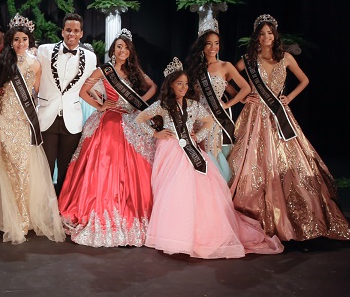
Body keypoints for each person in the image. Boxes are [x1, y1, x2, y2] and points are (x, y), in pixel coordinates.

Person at [136, 58, 283, 259]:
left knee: (194, 188)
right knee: (171, 190)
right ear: (171, 84)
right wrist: (157, 133)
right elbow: (140, 118)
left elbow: (208, 121)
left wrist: (199, 136)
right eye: (179, 83)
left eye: (186, 84)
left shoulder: (194, 105)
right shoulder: (162, 105)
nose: (183, 87)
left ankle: (194, 233)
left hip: (190, 149)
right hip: (169, 150)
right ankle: (174, 233)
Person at [228, 15, 350, 241]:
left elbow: (304, 80)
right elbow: (227, 78)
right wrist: (242, 98)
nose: (266, 37)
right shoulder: (248, 59)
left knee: (290, 159)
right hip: (255, 115)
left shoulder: (285, 58)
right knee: (252, 161)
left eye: (270, 33)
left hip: (279, 115)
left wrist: (288, 98)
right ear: (257, 37)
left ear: (275, 35)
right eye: (262, 33)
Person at [59, 30, 157, 247]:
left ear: (131, 52)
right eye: (119, 47)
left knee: (134, 165)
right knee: (105, 162)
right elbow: (83, 91)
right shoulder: (104, 71)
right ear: (113, 50)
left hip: (130, 119)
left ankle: (132, 210)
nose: (122, 51)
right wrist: (101, 106)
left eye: (126, 47)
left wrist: (139, 101)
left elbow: (153, 87)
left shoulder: (134, 71)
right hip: (110, 119)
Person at [0, 15, 64, 244]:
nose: (20, 43)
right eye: (16, 39)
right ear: (10, 41)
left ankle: (23, 218)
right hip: (5, 120)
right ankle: (10, 215)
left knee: (23, 170)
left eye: (24, 39)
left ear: (29, 40)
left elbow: (35, 94)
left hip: (24, 122)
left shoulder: (35, 63)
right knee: (7, 169)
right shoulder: (3, 61)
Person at [36, 13, 97, 195]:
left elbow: (93, 85)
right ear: (62, 31)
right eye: (68, 30)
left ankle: (62, 207)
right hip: (46, 116)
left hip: (72, 119)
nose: (72, 34)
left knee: (67, 167)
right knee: (44, 166)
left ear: (81, 33)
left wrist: (104, 103)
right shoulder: (44, 50)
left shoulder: (90, 57)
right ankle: (44, 207)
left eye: (76, 31)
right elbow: (32, 75)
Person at [184, 19, 250, 182]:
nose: (213, 48)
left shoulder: (226, 66)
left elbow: (246, 88)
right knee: (201, 151)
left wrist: (228, 104)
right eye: (209, 43)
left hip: (217, 117)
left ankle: (219, 190)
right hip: (199, 116)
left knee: (214, 151)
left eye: (217, 43)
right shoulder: (195, 68)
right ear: (202, 46)